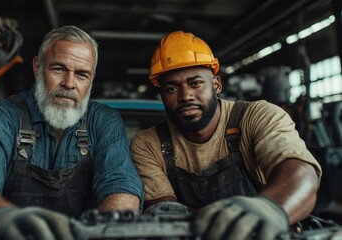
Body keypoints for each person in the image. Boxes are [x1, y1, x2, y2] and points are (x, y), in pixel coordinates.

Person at [0, 25, 143, 240]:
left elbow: (120, 185)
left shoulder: (104, 121)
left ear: (92, 78)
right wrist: (3, 218)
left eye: (81, 74)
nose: (69, 84)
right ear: (37, 67)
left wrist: (105, 230)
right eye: (58, 69)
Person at [130, 30, 322, 240]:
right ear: (162, 96)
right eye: (171, 89)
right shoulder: (148, 143)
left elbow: (300, 172)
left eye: (195, 83)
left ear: (216, 84)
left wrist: (272, 209)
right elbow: (165, 214)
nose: (185, 96)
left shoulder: (257, 116)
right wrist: (228, 222)